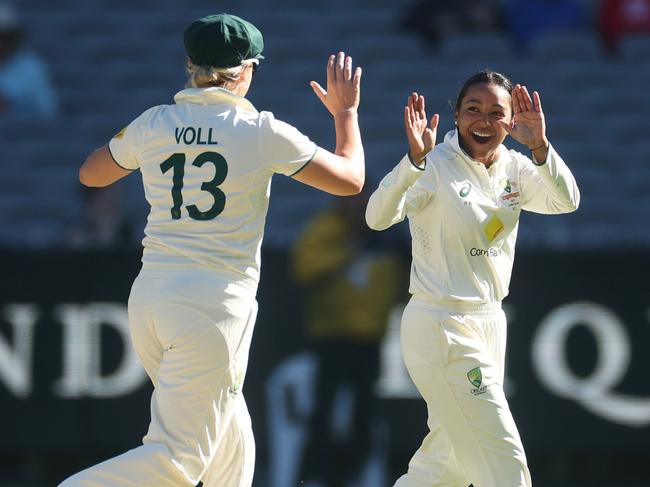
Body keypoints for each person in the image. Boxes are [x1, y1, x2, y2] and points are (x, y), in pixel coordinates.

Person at [59, 13, 364, 487]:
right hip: (213, 306)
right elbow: (351, 180)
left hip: (152, 301)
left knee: (231, 443)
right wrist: (345, 114)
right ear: (244, 71)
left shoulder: (155, 122)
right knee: (177, 462)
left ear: (190, 64)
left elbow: (91, 174)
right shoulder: (261, 130)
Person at [366, 71, 580, 487]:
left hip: (489, 322)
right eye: (472, 110)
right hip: (441, 322)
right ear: (456, 114)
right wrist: (412, 162)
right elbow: (376, 217)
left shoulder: (515, 168)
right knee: (501, 453)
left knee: (447, 464)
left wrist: (539, 146)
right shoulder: (433, 166)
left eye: (496, 113)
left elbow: (566, 201)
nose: (483, 121)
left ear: (512, 120)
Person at [292, 192, 405, 486]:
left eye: (365, 201)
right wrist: (347, 251)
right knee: (323, 413)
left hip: (370, 340)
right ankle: (316, 476)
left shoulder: (388, 237)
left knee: (365, 416)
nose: (358, 208)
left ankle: (354, 476)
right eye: (353, 201)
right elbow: (305, 268)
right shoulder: (324, 229)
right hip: (331, 337)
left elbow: (406, 279)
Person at [0, 1, 57, 119]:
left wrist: (13, 106)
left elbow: (48, 112)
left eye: (5, 37)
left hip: (25, 134)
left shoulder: (32, 68)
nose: (1, 43)